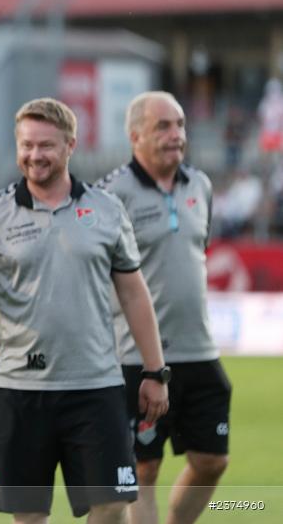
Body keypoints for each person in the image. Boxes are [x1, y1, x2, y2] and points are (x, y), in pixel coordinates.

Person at [0, 97, 169, 524]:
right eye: (26, 145)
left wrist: (155, 372)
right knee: (28, 516)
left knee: (114, 505)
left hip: (96, 385)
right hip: (19, 390)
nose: (34, 155)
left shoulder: (106, 210)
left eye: (45, 145)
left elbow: (135, 294)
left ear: (70, 146)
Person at [97, 91, 230, 524]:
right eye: (164, 127)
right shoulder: (110, 195)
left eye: (180, 125)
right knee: (143, 469)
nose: (177, 135)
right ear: (135, 135)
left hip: (199, 350)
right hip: (135, 356)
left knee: (213, 460)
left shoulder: (201, 185)